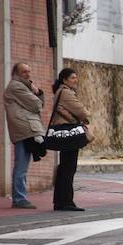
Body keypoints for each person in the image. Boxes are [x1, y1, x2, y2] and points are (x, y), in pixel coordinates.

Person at [3, 62, 46, 209]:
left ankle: (20, 197)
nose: (28, 74)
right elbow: (37, 105)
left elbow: (39, 103)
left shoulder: (24, 87)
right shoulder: (16, 86)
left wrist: (37, 92)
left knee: (23, 167)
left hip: (27, 129)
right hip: (24, 130)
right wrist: (35, 93)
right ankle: (19, 199)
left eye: (29, 71)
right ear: (16, 74)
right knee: (21, 167)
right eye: (24, 72)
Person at [51, 68, 90, 212]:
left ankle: (60, 201)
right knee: (69, 168)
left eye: (76, 77)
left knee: (64, 167)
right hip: (69, 134)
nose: (75, 80)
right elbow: (83, 112)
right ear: (64, 80)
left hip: (63, 134)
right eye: (72, 77)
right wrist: (85, 115)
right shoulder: (66, 93)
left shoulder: (59, 92)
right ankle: (67, 201)